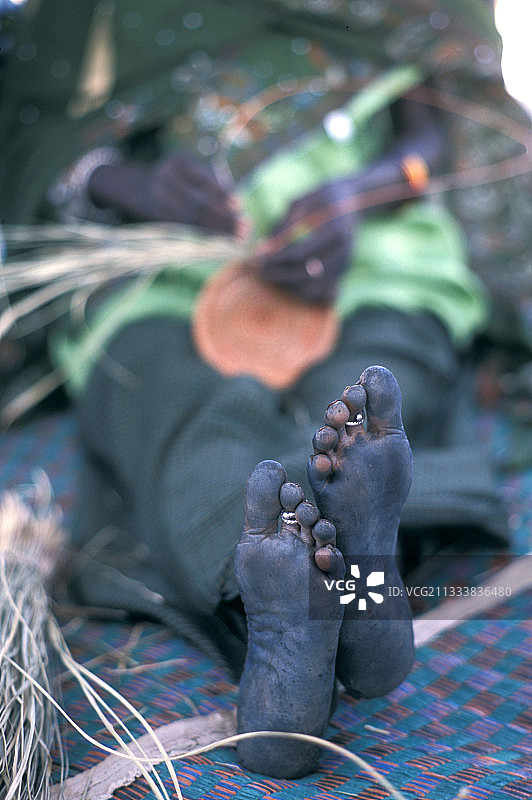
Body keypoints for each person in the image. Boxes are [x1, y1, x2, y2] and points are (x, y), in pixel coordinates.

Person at [0, 0, 519, 778]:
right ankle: (358, 595)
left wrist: (358, 197)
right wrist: (128, 184)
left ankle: (275, 618)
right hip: (166, 261)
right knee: (333, 398)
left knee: (229, 418)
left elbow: (431, 131)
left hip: (363, 247)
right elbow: (33, 140)